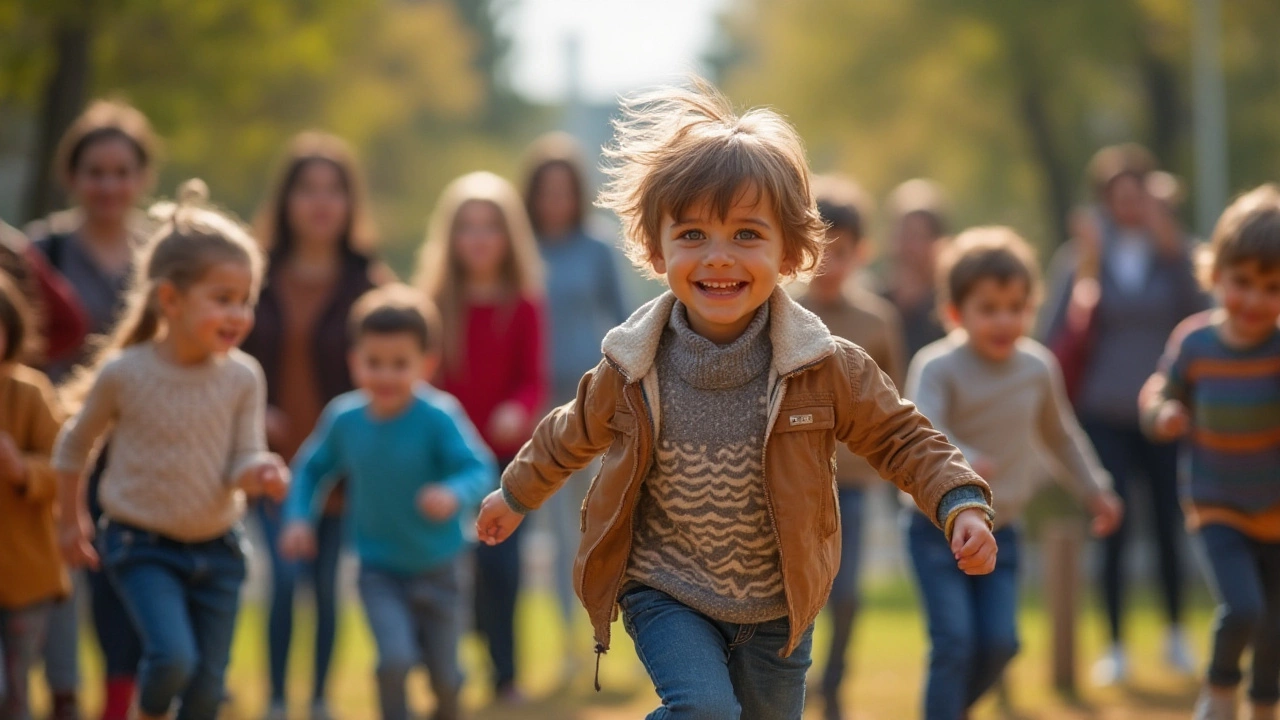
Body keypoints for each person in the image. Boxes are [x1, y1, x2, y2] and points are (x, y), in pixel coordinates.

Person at [474, 79, 998, 720]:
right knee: (706, 712)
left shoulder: (821, 364)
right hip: (666, 589)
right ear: (655, 245)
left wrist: (959, 502)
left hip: (778, 604)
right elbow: (571, 429)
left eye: (747, 235)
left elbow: (901, 435)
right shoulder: (634, 362)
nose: (718, 258)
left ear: (792, 250)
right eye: (692, 234)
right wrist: (517, 492)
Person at [52, 180, 290, 720]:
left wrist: (261, 470)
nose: (238, 314)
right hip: (142, 545)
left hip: (220, 550)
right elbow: (74, 447)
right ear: (170, 299)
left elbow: (242, 456)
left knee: (208, 690)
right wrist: (71, 522)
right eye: (222, 299)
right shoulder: (126, 374)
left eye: (245, 300)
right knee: (173, 659)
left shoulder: (243, 378)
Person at [904, 227, 1124, 720]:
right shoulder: (938, 366)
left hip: (1003, 530)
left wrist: (1097, 489)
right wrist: (962, 459)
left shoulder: (1037, 367)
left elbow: (1062, 436)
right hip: (936, 529)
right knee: (955, 642)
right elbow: (924, 430)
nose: (1005, 320)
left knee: (1001, 642)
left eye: (1016, 307)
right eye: (989, 309)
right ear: (955, 312)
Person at [280, 284, 496, 720]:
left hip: (441, 566)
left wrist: (452, 492)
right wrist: (299, 517)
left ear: (426, 364)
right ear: (353, 360)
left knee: (447, 678)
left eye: (400, 364)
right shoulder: (345, 419)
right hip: (379, 569)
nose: (385, 375)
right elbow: (310, 469)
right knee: (393, 661)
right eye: (373, 363)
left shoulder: (438, 416)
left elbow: (480, 468)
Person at [1041, 144, 1210, 684]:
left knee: (1168, 521)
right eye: (1121, 198)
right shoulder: (1084, 256)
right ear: (1107, 202)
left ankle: (1176, 633)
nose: (1131, 206)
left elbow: (1205, 317)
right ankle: (1113, 643)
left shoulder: (1178, 255)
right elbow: (1058, 332)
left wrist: (1173, 246)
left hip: (1165, 410)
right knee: (1112, 521)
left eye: (1140, 196)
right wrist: (1088, 267)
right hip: (1104, 410)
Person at [240, 131, 386, 720]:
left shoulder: (368, 286)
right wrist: (253, 410)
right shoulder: (254, 275)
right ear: (286, 200)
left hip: (343, 467)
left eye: (334, 190)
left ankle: (321, 699)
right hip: (270, 461)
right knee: (282, 577)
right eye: (308, 189)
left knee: (327, 586)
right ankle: (275, 699)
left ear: (351, 203)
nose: (321, 202)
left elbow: (390, 370)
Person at [33, 99, 160, 720]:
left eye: (121, 171)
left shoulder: (163, 256)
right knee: (53, 581)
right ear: (73, 176)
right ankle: (58, 695)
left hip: (138, 445)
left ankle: (117, 701)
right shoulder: (43, 253)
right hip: (53, 444)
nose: (108, 185)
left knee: (125, 585)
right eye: (95, 171)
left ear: (141, 178)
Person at [1139, 185, 1280, 720]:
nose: (1253, 300)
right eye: (1242, 282)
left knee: (1276, 625)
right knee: (1243, 607)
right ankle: (1221, 690)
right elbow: (1159, 391)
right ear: (1215, 273)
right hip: (1215, 501)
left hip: (1274, 507)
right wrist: (1163, 414)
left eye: (1272, 288)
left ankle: (1264, 703)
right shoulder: (1195, 343)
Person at [415, 171, 548, 703]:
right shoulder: (432, 302)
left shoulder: (524, 302)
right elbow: (420, 375)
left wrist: (518, 410)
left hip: (504, 459)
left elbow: (532, 378)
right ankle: (448, 663)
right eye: (467, 227)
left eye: (489, 227)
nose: (478, 238)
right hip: (447, 458)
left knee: (502, 566)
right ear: (450, 236)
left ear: (508, 235)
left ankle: (506, 673)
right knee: (452, 566)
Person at [796, 174, 906, 720]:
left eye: (842, 252)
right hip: (792, 481)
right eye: (820, 251)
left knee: (846, 593)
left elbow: (893, 406)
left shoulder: (876, 322)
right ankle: (790, 682)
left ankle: (834, 686)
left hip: (855, 483)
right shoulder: (780, 312)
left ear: (863, 252)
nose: (830, 264)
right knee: (797, 590)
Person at [522, 134, 630, 678]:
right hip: (539, 402)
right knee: (560, 531)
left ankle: (623, 637)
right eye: (547, 191)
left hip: (596, 403)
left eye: (565, 190)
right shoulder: (521, 248)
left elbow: (625, 320)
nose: (555, 201)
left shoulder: (599, 249)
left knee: (607, 520)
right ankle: (568, 644)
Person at [0, 273, 69, 720]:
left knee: (17, 689)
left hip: (24, 575)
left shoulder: (28, 393)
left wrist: (23, 470)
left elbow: (64, 469)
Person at [881, 179, 950, 361]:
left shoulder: (948, 313)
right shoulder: (875, 306)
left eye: (917, 236)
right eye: (902, 234)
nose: (908, 246)